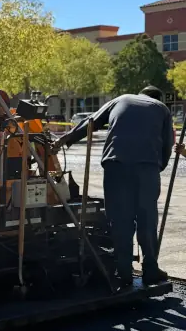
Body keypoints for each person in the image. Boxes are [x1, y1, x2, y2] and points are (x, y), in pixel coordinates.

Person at [52, 86, 174, 286]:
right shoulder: (161, 108)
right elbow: (166, 145)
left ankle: (123, 272)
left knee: (120, 220)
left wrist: (66, 139)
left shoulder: (121, 99)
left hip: (115, 165)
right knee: (147, 218)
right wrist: (156, 168)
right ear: (157, 98)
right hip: (146, 167)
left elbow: (91, 121)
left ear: (140, 94)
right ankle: (150, 269)